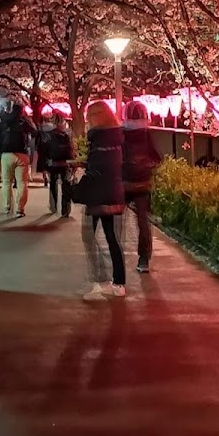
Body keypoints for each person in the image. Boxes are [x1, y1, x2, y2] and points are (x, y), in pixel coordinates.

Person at [73, 101, 126, 300]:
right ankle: (119, 284)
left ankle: (98, 281)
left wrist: (80, 182)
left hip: (97, 193)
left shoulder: (98, 139)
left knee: (88, 235)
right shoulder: (119, 136)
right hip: (114, 191)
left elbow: (96, 168)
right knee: (112, 239)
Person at [122, 100, 163, 273]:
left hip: (124, 182)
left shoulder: (120, 133)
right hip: (143, 183)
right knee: (143, 222)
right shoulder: (146, 134)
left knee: (117, 221)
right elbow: (157, 157)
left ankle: (116, 258)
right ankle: (143, 259)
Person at [0, 97, 36, 216]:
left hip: (6, 154)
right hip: (22, 153)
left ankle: (7, 207)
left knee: (6, 182)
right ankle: (20, 209)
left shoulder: (5, 120)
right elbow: (34, 132)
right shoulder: (24, 121)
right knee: (22, 182)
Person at [43, 113, 76, 217]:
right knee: (65, 186)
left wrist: (44, 167)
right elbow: (71, 150)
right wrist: (73, 165)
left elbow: (44, 151)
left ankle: (54, 207)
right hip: (65, 163)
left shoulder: (48, 135)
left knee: (53, 185)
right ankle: (65, 210)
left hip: (52, 163)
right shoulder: (67, 134)